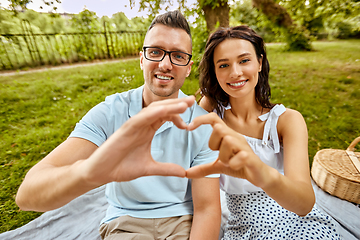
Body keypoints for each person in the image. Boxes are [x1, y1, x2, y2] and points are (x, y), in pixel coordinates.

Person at [16, 10, 221, 240]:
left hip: (182, 220)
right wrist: (88, 173)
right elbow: (27, 195)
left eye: (178, 56)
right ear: (142, 59)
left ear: (189, 67)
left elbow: (207, 209)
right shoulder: (110, 112)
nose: (165, 64)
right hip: (126, 223)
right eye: (155, 52)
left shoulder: (202, 124)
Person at [185, 25, 341, 239]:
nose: (235, 72)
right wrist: (209, 98)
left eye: (244, 60)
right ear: (214, 72)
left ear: (259, 62)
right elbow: (183, 144)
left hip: (296, 221)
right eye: (223, 65)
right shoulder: (212, 119)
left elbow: (304, 203)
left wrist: (259, 171)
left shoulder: (287, 121)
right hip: (243, 227)